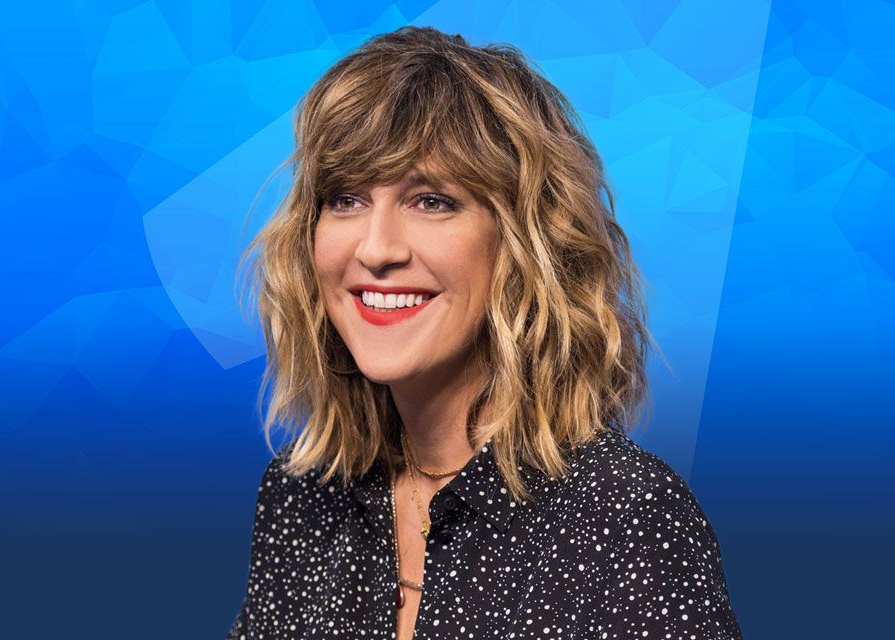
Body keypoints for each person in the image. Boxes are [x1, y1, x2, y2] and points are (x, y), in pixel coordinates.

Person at [226, 25, 742, 640]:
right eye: (345, 198)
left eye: (431, 200)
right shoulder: (300, 497)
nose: (376, 249)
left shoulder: (627, 517)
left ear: (523, 244)